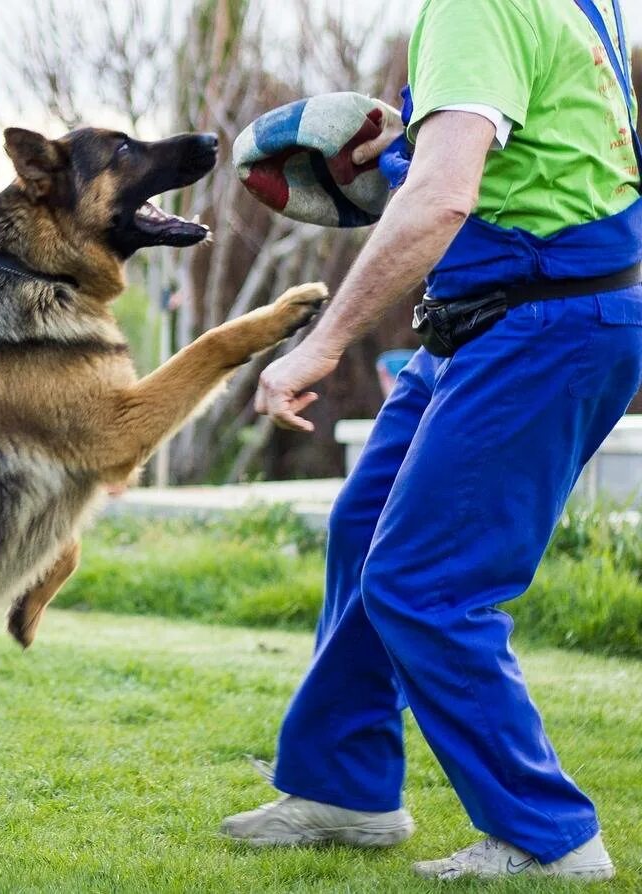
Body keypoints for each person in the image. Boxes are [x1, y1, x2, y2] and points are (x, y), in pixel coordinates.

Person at [225, 0, 642, 882]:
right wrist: (406, 142)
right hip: (496, 314)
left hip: (540, 321)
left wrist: (324, 343)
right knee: (363, 528)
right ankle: (346, 789)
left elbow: (445, 198)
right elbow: (530, 167)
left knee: (427, 583)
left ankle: (550, 838)